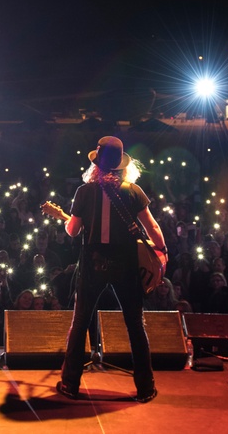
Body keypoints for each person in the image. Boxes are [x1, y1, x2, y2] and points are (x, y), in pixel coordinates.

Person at [56, 136, 166, 404]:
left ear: (96, 165)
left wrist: (65, 222)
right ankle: (145, 387)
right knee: (135, 325)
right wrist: (161, 253)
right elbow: (152, 227)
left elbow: (72, 231)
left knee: (80, 322)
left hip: (93, 261)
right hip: (126, 261)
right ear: (121, 165)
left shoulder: (84, 192)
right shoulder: (133, 190)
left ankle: (70, 384)